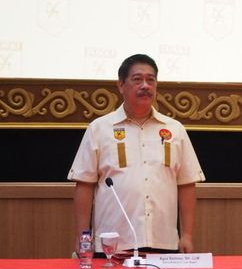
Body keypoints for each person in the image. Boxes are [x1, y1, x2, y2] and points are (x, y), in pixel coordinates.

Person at [68, 54, 205, 254]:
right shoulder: (99, 129)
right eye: (137, 79)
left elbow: (186, 184)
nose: (145, 85)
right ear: (121, 85)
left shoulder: (174, 129)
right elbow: (85, 184)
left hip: (163, 243)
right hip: (112, 245)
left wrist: (187, 235)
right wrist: (83, 238)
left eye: (151, 80)